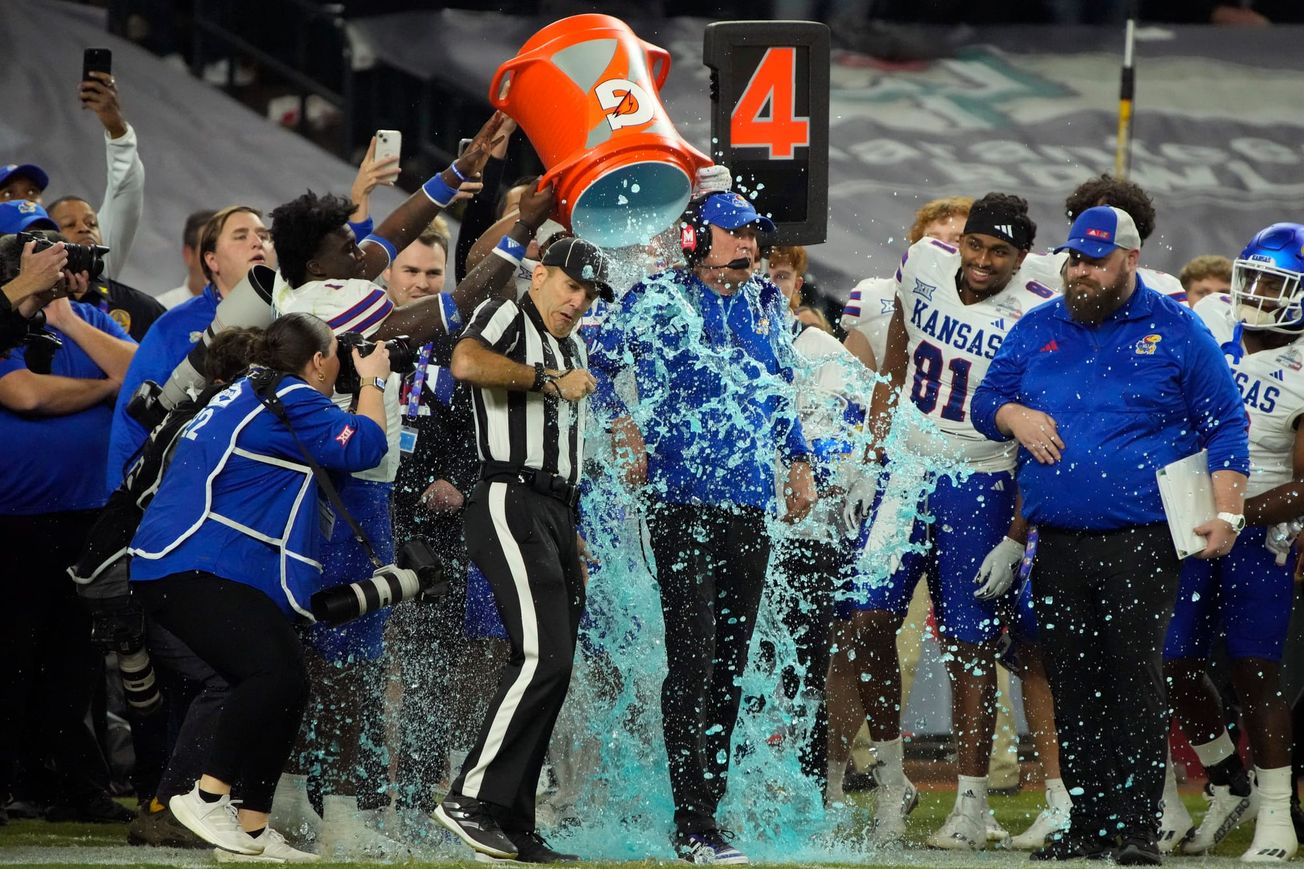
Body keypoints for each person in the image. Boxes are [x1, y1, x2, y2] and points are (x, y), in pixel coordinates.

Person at [971, 205, 1251, 864]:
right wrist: (1015, 413)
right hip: (1059, 536)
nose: (1081, 272)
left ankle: (1136, 824)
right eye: (1074, 259)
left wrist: (1229, 511)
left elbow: (1226, 422)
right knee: (1070, 678)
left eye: (1096, 260)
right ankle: (1087, 818)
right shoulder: (1040, 324)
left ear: (1130, 258)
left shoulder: (1176, 328)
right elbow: (985, 402)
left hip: (1141, 535)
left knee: (1130, 675)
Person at [590, 190, 816, 865]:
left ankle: (709, 813)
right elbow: (596, 364)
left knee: (730, 664)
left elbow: (777, 387)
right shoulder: (654, 298)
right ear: (695, 239)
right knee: (692, 657)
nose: (748, 249)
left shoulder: (765, 303)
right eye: (734, 235)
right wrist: (617, 418)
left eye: (755, 237)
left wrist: (799, 455)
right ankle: (692, 820)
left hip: (746, 504)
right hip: (678, 500)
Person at [844, 192, 1064, 850]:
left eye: (999, 252)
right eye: (975, 245)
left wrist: (1018, 530)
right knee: (865, 618)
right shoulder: (922, 261)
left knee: (970, 646)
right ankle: (890, 778)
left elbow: (1040, 423)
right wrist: (872, 452)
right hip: (908, 470)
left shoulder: (1040, 304)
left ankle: (969, 804)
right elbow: (897, 356)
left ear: (1022, 257)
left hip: (983, 477)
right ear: (960, 240)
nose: (982, 261)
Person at [129, 313, 391, 862]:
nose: (342, 363)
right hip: (196, 563)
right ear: (318, 361)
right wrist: (373, 381)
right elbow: (366, 446)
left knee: (286, 683)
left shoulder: (253, 390)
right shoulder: (289, 396)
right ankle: (206, 798)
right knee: (274, 673)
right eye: (339, 355)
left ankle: (250, 828)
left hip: (183, 562)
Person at [434, 236, 613, 864]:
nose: (578, 301)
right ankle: (470, 799)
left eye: (588, 294)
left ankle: (513, 818)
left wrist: (573, 525)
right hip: (509, 496)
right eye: (571, 285)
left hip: (555, 509)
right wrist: (547, 381)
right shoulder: (510, 312)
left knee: (554, 667)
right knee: (543, 656)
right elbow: (464, 363)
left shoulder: (574, 344)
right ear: (540, 273)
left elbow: (562, 444)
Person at [1161, 223, 1303, 863]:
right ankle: (1226, 779)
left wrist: (1232, 513)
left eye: (1274, 284)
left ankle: (1277, 816)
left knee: (1255, 670)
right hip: (1188, 519)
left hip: (1260, 532)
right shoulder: (1209, 316)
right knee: (1170, 660)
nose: (1255, 294)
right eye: (1252, 278)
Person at [0, 232, 137, 824]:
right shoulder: (3, 325)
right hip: (12, 521)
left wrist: (72, 321)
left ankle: (72, 785)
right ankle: (9, 786)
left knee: (75, 663)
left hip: (89, 518)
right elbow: (24, 394)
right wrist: (105, 389)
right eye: (45, 255)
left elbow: (143, 373)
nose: (64, 264)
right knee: (9, 659)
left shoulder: (86, 317)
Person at [105, 204, 273, 493]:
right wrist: (120, 502)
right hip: (185, 485)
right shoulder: (174, 326)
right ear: (212, 260)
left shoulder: (291, 319)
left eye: (263, 235)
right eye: (240, 236)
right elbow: (133, 416)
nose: (257, 242)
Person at [840, 196, 973, 371]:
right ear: (917, 245)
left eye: (956, 240)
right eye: (933, 239)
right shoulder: (875, 297)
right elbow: (848, 386)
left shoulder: (992, 312)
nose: (942, 247)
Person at [156, 210, 217, 309]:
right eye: (209, 249)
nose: (216, 259)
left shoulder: (247, 313)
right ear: (188, 254)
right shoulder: (160, 311)